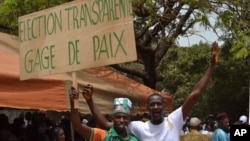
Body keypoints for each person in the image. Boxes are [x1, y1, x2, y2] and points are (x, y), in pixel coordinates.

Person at [80, 41, 219, 141]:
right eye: (152, 104)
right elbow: (106, 125)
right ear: (147, 108)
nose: (156, 106)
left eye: (159, 104)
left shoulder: (174, 120)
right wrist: (90, 101)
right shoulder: (139, 127)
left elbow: (195, 94)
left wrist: (211, 67)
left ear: (164, 106)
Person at [69, 85, 139, 141]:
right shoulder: (103, 136)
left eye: (125, 117)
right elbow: (78, 126)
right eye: (118, 117)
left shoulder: (134, 139)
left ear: (129, 119)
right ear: (113, 118)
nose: (121, 120)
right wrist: (73, 102)